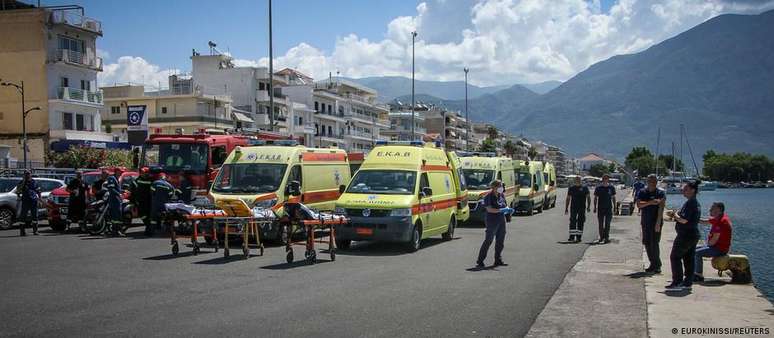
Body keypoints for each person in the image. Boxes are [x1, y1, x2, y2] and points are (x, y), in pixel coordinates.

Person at [665, 180, 701, 291]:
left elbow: (684, 220)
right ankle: (688, 282)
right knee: (688, 258)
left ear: (692, 190)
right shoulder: (694, 202)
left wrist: (674, 215)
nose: (683, 191)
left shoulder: (691, 203)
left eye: (685, 189)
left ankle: (677, 282)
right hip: (692, 234)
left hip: (686, 235)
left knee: (675, 257)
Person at [476, 180, 513, 268]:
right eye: (500, 186)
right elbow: (489, 209)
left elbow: (505, 205)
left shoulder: (501, 195)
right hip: (492, 220)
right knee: (488, 240)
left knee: (500, 241)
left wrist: (508, 210)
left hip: (501, 219)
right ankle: (480, 260)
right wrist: (500, 210)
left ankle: (498, 260)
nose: (502, 188)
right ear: (494, 187)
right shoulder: (488, 196)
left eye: (502, 186)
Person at [693, 202, 732, 282]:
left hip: (720, 249)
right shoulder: (718, 218)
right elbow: (704, 221)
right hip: (716, 246)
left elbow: (713, 241)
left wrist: (705, 247)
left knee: (696, 253)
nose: (710, 209)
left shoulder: (721, 222)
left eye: (712, 208)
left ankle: (698, 275)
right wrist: (692, 218)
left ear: (719, 211)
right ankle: (693, 271)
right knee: (693, 249)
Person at [637, 174, 665, 273]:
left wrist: (658, 222)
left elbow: (661, 208)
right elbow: (639, 205)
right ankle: (652, 264)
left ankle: (657, 265)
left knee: (655, 243)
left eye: (654, 181)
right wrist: (650, 202)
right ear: (647, 182)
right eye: (650, 181)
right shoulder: (642, 192)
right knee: (647, 243)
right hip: (645, 221)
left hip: (656, 221)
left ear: (656, 182)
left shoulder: (660, 193)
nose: (652, 183)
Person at [565, 176, 590, 243]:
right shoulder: (571, 188)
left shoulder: (585, 188)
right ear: (574, 180)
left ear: (580, 180)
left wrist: (588, 206)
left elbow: (588, 197)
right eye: (576, 179)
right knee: (572, 221)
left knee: (580, 222)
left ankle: (579, 237)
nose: (577, 180)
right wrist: (566, 208)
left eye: (578, 179)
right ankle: (572, 236)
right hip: (573, 207)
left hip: (582, 207)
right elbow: (568, 198)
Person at [15, 171, 41, 236]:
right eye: (26, 174)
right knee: (23, 216)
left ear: (31, 175)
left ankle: (35, 231)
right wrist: (19, 196)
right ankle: (22, 232)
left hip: (33, 200)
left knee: (35, 215)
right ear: (24, 175)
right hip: (25, 201)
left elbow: (38, 191)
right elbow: (18, 191)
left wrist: (40, 200)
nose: (28, 175)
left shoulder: (34, 182)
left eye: (29, 174)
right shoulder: (22, 182)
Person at [131, 167, 154, 236]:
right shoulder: (137, 180)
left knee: (148, 215)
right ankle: (148, 225)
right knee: (142, 214)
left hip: (148, 201)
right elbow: (132, 189)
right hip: (140, 201)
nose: (143, 174)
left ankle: (149, 228)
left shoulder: (151, 180)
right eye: (142, 172)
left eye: (144, 172)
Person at [594, 174, 617, 244]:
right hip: (600, 208)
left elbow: (613, 198)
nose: (605, 180)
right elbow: (595, 198)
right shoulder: (598, 188)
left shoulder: (611, 188)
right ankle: (601, 237)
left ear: (608, 179)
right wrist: (595, 207)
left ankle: (606, 237)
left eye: (606, 178)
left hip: (608, 208)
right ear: (602, 179)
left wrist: (615, 207)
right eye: (604, 178)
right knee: (600, 224)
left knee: (607, 223)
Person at [104, 168, 124, 236]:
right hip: (114, 200)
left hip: (117, 200)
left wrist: (123, 191)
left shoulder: (116, 178)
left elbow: (117, 189)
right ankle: (115, 231)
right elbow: (111, 189)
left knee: (118, 216)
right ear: (116, 171)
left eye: (122, 172)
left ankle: (116, 230)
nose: (121, 173)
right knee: (115, 216)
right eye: (120, 171)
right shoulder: (112, 178)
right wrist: (119, 194)